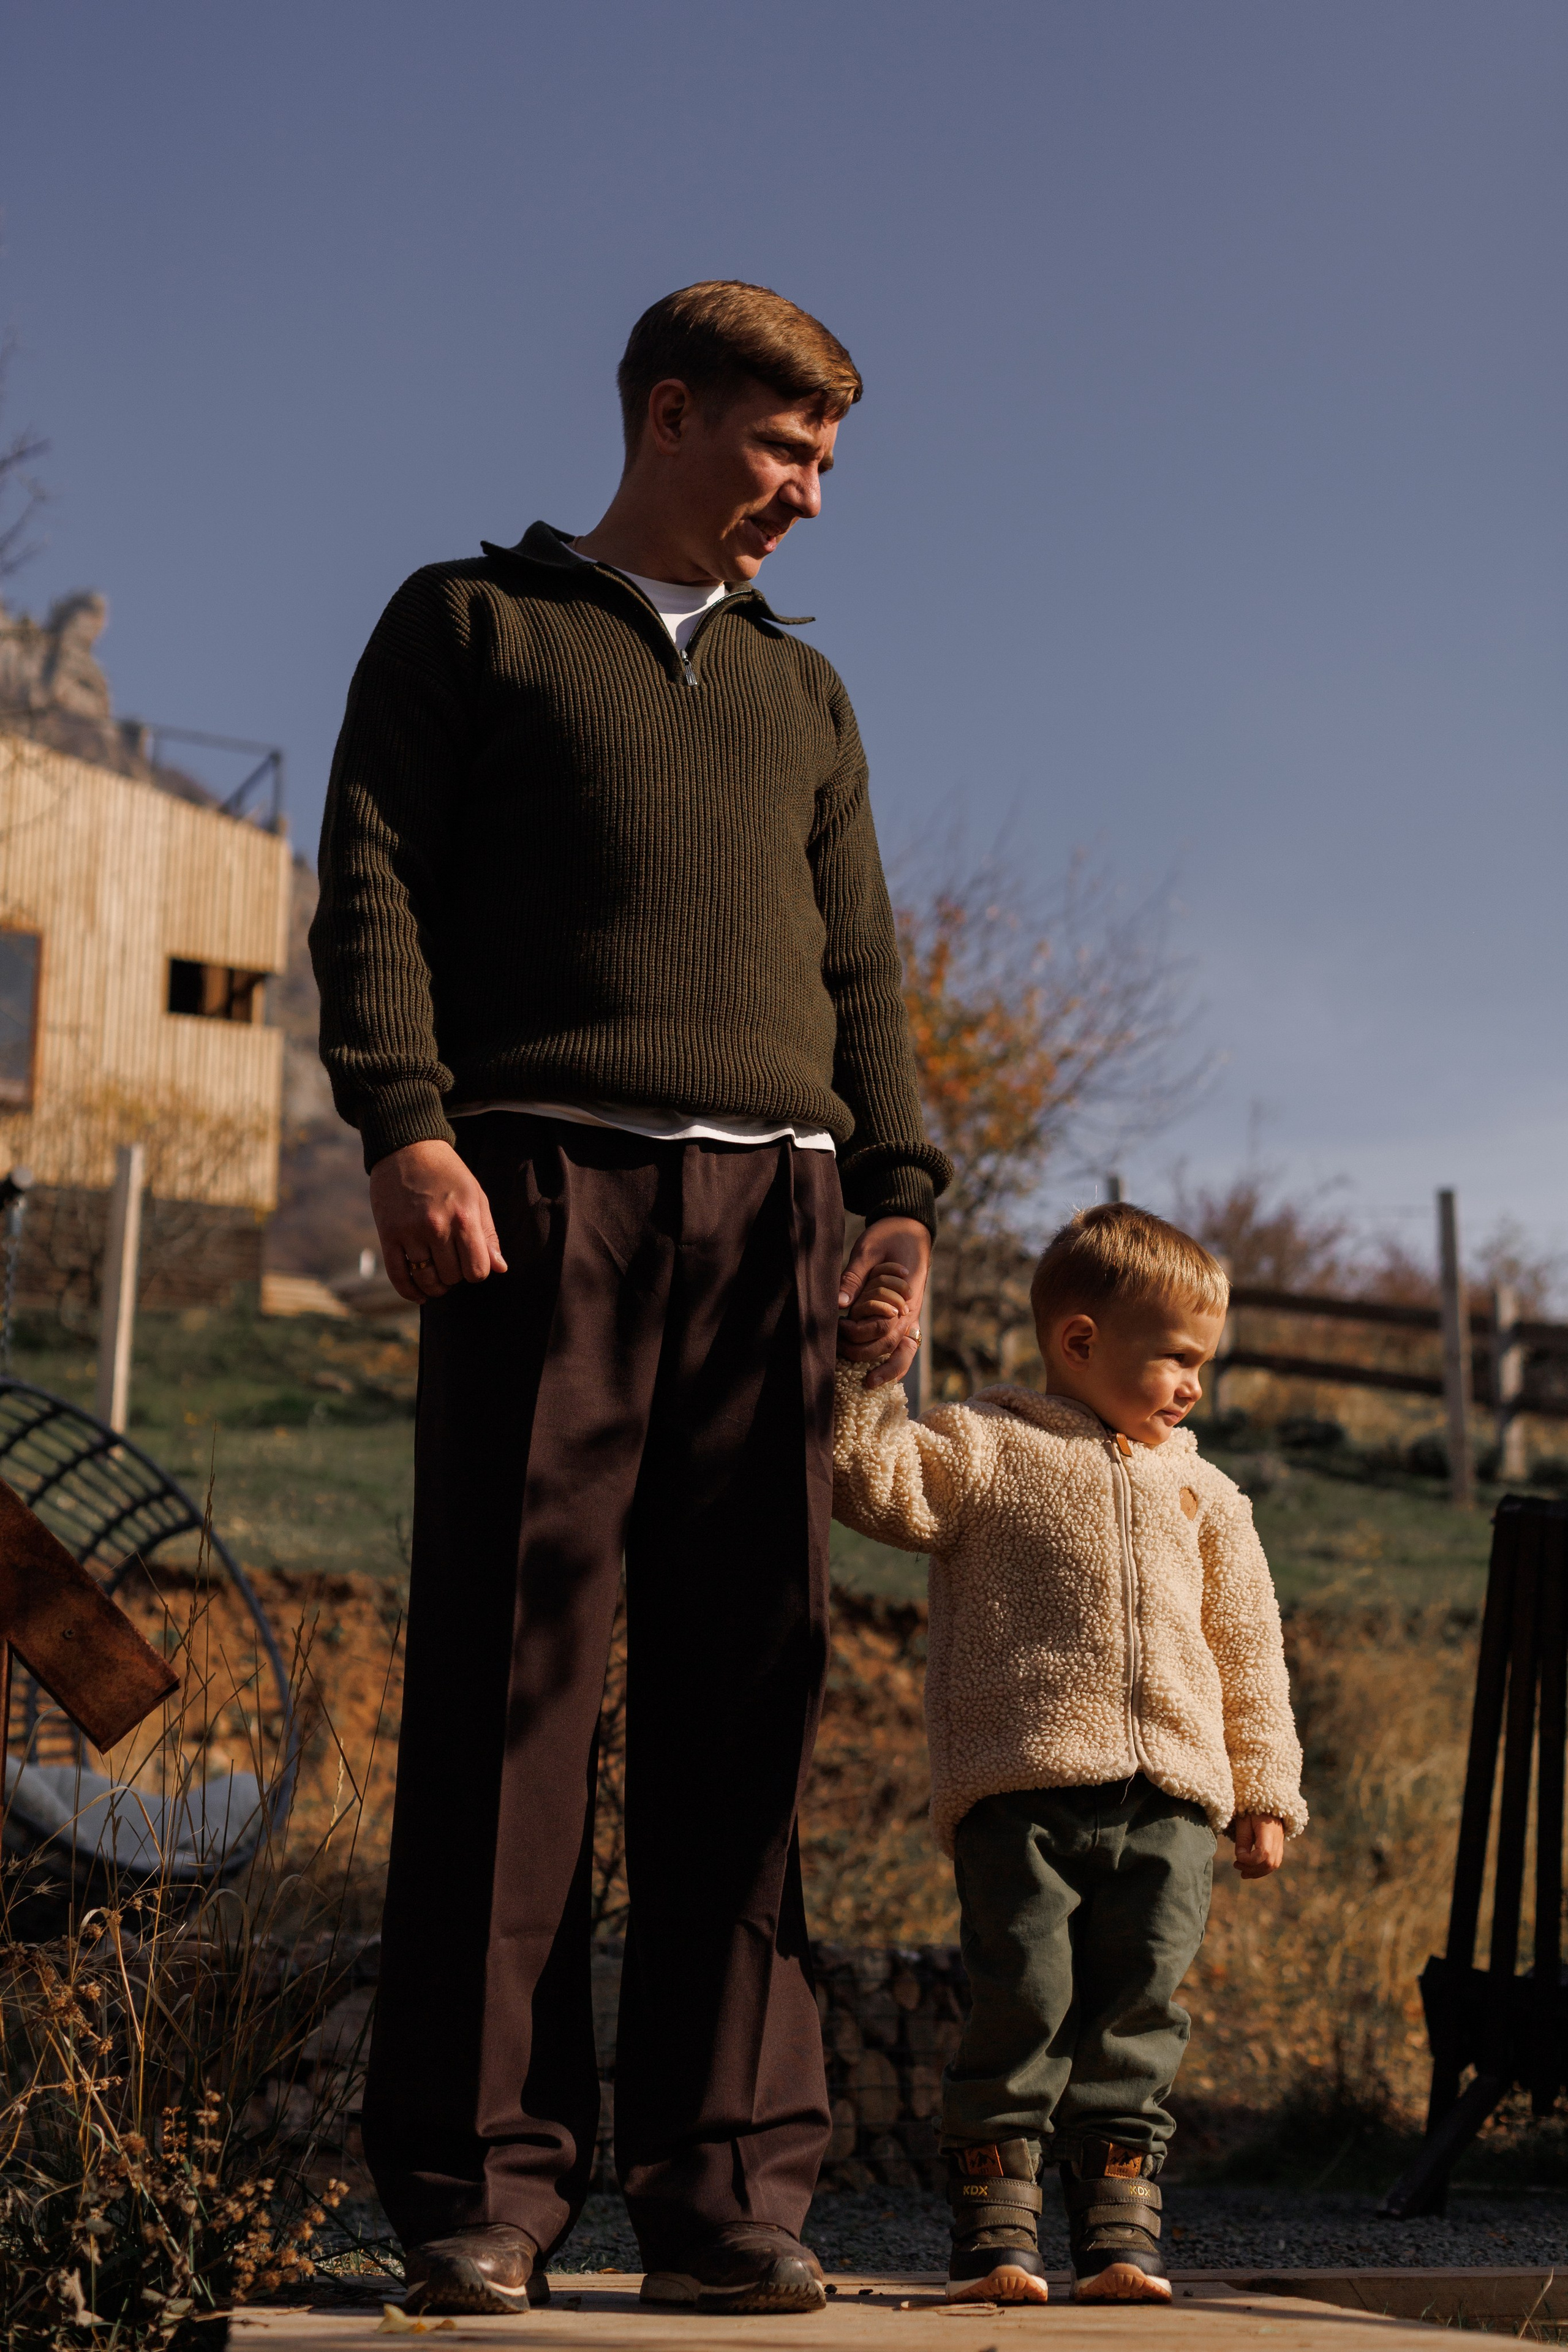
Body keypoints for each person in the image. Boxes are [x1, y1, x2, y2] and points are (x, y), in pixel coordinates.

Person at [309, 281, 949, 2317]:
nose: (813, 498)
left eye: (828, 460)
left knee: (745, 1701)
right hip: (535, 1192)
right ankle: (481, 2190)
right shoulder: (467, 625)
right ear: (670, 417)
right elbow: (375, 880)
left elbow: (867, 973)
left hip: (782, 1221)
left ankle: (727, 2193)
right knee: (514, 1694)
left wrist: (908, 1206)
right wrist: (404, 1127)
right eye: (784, 450)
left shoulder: (804, 697)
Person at [831, 1205, 1306, 2305]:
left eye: (1205, 1364)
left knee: (1139, 2008)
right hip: (1022, 1789)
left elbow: (1249, 1650)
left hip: (1175, 1805)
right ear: (1081, 1342)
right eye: (1177, 1358)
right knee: (1026, 1999)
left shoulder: (1209, 1494)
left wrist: (1265, 1791)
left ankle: (1120, 2242)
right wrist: (869, 1379)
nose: (1194, 1384)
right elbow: (875, 1483)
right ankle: (998, 2236)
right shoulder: (989, 1444)